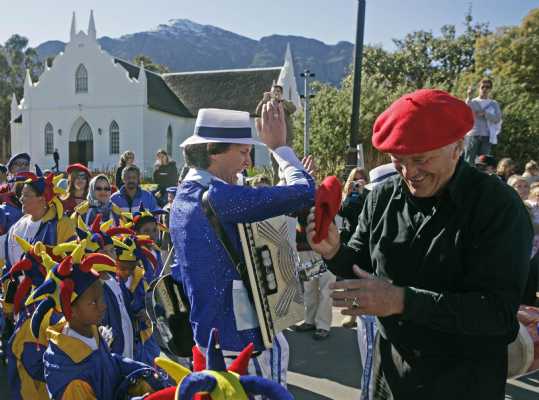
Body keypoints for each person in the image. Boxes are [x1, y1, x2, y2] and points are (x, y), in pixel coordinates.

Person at [306, 89, 533, 399]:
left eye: (421, 159)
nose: (409, 172)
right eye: (398, 161)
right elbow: (358, 265)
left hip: (463, 382)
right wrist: (334, 251)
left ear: (458, 147)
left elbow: (497, 314)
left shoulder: (498, 207)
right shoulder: (382, 197)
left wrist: (402, 300)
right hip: (392, 374)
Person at [170, 106, 315, 386]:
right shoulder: (218, 196)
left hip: (208, 339)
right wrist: (281, 149)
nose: (248, 162)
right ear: (213, 150)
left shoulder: (183, 195)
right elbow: (305, 192)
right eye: (243, 152)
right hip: (243, 345)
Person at [25, 245, 166, 399]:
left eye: (102, 298)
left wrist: (141, 371)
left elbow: (109, 362)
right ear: (70, 311)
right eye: (93, 302)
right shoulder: (73, 381)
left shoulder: (89, 330)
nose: (103, 306)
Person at [463, 78, 502, 164]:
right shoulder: (472, 101)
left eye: (487, 87)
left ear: (490, 89)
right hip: (472, 135)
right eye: (482, 87)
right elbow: (465, 111)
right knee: (468, 162)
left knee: (483, 163)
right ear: (479, 88)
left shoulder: (494, 104)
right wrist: (469, 96)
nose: (484, 89)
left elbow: (497, 119)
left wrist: (485, 114)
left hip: (487, 137)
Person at [256, 81, 297, 147]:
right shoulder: (267, 104)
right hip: (272, 136)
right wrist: (264, 100)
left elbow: (293, 109)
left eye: (278, 91)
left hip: (286, 137)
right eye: (273, 91)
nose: (276, 93)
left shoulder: (285, 103)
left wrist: (281, 100)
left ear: (281, 93)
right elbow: (258, 113)